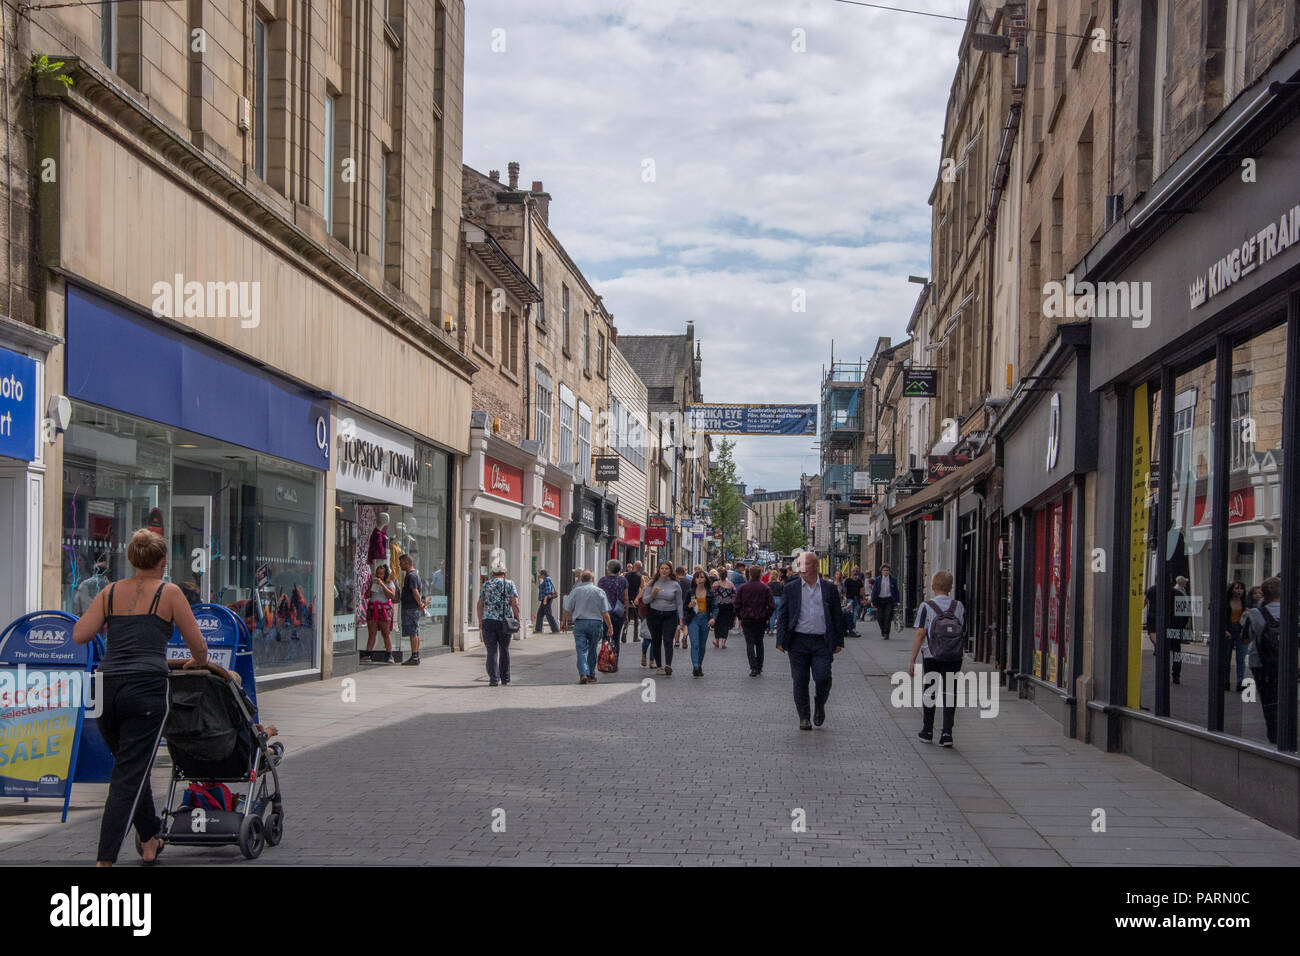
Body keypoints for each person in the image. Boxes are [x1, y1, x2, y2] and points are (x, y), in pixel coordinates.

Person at [72, 529, 210, 866]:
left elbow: (80, 634)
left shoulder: (109, 591)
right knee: (127, 775)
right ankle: (105, 860)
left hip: (107, 687)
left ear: (133, 560)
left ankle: (150, 839)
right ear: (163, 561)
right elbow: (199, 647)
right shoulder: (170, 592)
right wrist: (198, 662)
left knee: (132, 766)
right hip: (146, 689)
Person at [775, 552, 846, 730]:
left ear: (815, 566)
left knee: (823, 678)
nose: (801, 569)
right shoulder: (791, 588)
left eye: (804, 565)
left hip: (822, 641)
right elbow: (783, 614)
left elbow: (837, 616)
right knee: (800, 680)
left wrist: (839, 641)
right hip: (798, 641)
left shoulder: (829, 589)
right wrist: (780, 639)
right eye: (799, 566)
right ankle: (804, 717)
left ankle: (819, 704)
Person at [909, 570, 966, 748]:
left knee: (930, 692)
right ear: (950, 588)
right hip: (954, 656)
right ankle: (947, 733)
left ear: (932, 587)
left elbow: (920, 633)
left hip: (931, 655)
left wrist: (912, 659)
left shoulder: (926, 607)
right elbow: (962, 629)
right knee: (950, 692)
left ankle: (927, 730)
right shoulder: (958, 606)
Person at [1242, 576, 1282, 743]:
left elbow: (1246, 638)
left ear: (1264, 595)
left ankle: (1273, 734)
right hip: (1286, 662)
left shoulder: (1256, 613)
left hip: (1261, 662)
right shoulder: (1292, 610)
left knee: (1268, 699)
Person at [563, 570, 613, 684]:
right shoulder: (600, 592)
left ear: (581, 579)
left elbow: (567, 608)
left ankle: (583, 673)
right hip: (596, 623)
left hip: (580, 623)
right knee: (592, 649)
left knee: (581, 650)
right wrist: (610, 626)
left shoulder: (576, 591)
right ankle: (591, 674)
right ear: (593, 579)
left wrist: (564, 622)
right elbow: (605, 612)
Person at [477, 562, 521, 687]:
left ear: (492, 572)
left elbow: (480, 604)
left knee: (491, 651)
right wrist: (518, 619)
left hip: (488, 621)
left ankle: (493, 678)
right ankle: (505, 678)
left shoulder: (486, 584)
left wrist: (480, 620)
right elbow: (515, 603)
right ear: (505, 572)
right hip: (504, 621)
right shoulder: (509, 584)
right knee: (504, 649)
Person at [645, 561, 685, 676]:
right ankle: (659, 666)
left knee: (668, 640)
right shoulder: (652, 583)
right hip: (654, 615)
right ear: (658, 570)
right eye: (662, 568)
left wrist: (681, 619)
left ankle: (668, 665)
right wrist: (653, 595)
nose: (664, 570)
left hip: (670, 615)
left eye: (666, 568)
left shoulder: (675, 584)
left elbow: (679, 603)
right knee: (656, 640)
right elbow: (645, 600)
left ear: (670, 570)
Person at [737, 565, 775, 677]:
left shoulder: (743, 588)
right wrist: (767, 616)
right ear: (760, 574)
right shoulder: (765, 588)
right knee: (759, 642)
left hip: (747, 619)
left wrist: (740, 616)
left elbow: (737, 604)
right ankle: (759, 666)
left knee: (749, 643)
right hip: (760, 619)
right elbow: (771, 606)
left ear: (749, 574)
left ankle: (753, 667)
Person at [682, 569, 715, 677]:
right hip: (693, 619)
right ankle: (695, 666)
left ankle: (699, 665)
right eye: (697, 577)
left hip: (705, 619)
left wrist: (713, 617)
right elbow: (685, 608)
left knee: (702, 645)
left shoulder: (710, 592)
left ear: (705, 579)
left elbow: (715, 607)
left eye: (702, 577)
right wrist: (689, 606)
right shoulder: (690, 592)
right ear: (694, 579)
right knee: (695, 644)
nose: (699, 579)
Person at [597, 560, 629, 667]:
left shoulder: (602, 581)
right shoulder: (623, 581)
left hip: (605, 612)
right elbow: (625, 597)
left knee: (605, 637)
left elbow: (599, 597)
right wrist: (627, 613)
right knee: (616, 638)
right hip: (618, 612)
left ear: (608, 568)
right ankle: (614, 662)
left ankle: (605, 661)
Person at [364, 563, 397, 663]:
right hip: (373, 608)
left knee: (385, 633)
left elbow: (391, 596)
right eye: (377, 574)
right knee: (372, 633)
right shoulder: (373, 583)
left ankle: (389, 655)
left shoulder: (390, 583)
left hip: (384, 609)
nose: (379, 576)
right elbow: (366, 596)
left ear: (385, 574)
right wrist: (371, 586)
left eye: (381, 574)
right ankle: (368, 654)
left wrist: (382, 584)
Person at [398, 554, 428, 665]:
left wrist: (420, 603)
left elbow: (415, 591)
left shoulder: (411, 576)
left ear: (406, 562)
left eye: (401, 563)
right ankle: (415, 655)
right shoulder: (414, 574)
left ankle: (414, 656)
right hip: (412, 607)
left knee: (413, 632)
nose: (400, 565)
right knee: (415, 631)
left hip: (411, 608)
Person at [1223, 581, 1249, 693]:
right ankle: (1225, 681)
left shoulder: (1245, 603)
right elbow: (1221, 616)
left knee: (1241, 658)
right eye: (1236, 588)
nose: (1239, 591)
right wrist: (1224, 630)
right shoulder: (1226, 602)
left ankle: (1240, 682)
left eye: (1241, 589)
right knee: (1226, 658)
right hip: (1229, 631)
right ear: (1232, 590)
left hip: (1241, 631)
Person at [711, 570, 736, 649]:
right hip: (728, 606)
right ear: (726, 576)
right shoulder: (731, 584)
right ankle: (723, 643)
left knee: (717, 623)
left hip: (718, 606)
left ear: (719, 575)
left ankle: (717, 641)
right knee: (726, 624)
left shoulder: (715, 584)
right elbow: (734, 596)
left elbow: (712, 595)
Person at [870, 564, 897, 639]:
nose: (886, 572)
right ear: (881, 571)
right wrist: (872, 601)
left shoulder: (893, 579)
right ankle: (883, 630)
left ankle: (886, 633)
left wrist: (897, 601)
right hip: (880, 600)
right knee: (879, 617)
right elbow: (874, 591)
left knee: (888, 616)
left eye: (887, 570)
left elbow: (896, 591)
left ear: (889, 571)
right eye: (884, 570)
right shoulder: (878, 580)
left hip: (889, 600)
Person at [623, 562, 644, 644]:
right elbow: (643, 589)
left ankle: (624, 632)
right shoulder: (640, 577)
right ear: (640, 568)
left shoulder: (626, 575)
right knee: (636, 619)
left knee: (627, 616)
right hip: (635, 599)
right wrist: (637, 598)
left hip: (626, 598)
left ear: (634, 566)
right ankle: (635, 637)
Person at [535, 570, 560, 634]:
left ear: (543, 574)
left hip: (547, 599)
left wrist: (545, 599)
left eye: (540, 574)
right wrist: (539, 580)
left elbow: (548, 591)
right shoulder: (545, 580)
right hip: (545, 599)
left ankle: (555, 629)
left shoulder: (547, 579)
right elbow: (540, 587)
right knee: (540, 614)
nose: (539, 575)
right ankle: (538, 629)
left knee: (548, 614)